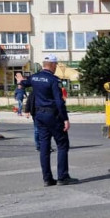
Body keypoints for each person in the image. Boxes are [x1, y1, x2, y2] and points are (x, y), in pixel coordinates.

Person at [16, 54, 78, 186]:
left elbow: (24, 83)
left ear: (44, 65)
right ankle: (62, 177)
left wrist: (20, 80)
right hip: (53, 116)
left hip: (39, 116)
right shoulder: (53, 80)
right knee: (62, 145)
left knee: (44, 147)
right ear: (53, 65)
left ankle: (47, 179)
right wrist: (65, 119)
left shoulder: (34, 77)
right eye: (56, 65)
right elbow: (59, 102)